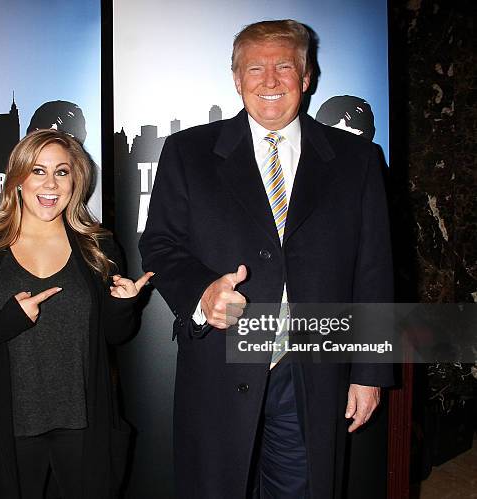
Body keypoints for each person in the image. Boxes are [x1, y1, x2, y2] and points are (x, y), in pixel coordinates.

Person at [139, 20, 393, 499]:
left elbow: (374, 270)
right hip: (220, 363)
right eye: (255, 68)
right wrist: (202, 291)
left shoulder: (358, 160)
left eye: (284, 67)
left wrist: (368, 373)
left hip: (314, 368)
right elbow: (160, 243)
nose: (270, 81)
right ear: (237, 80)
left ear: (307, 75)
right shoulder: (187, 152)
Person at [0, 129, 151, 498]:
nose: (51, 183)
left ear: (76, 180)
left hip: (84, 425)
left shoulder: (97, 245)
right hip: (12, 427)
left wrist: (123, 305)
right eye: (38, 171)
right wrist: (10, 319)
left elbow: (114, 335)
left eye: (62, 171)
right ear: (19, 179)